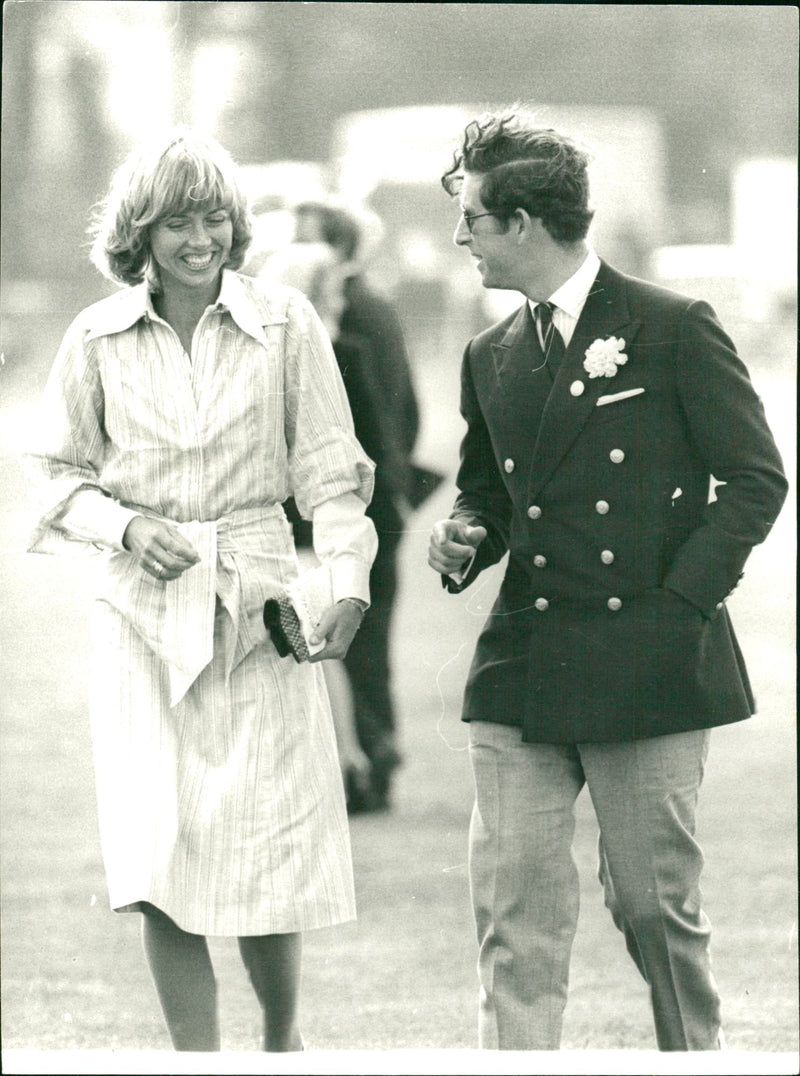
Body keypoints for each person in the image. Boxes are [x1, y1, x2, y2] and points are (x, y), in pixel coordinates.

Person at [427, 109, 787, 1051]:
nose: (458, 238)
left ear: (524, 224)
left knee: (653, 911)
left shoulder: (673, 327)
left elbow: (755, 478)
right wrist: (468, 534)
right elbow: (492, 491)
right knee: (513, 916)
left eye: (470, 218)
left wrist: (680, 607)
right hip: (524, 663)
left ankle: (695, 1062)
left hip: (650, 660)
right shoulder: (489, 354)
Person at [23, 128, 378, 1052]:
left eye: (213, 216)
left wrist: (347, 585)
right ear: (139, 232)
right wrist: (128, 526)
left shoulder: (287, 323)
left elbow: (333, 477)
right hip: (139, 619)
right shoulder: (95, 338)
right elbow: (57, 477)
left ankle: (282, 1041)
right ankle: (197, 1062)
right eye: (177, 220)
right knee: (157, 853)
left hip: (262, 610)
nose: (199, 238)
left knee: (265, 842)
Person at [289, 199, 422, 812]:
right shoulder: (382, 312)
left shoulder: (338, 334)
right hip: (379, 505)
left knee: (343, 638)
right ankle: (373, 754)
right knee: (367, 642)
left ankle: (362, 763)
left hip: (343, 511)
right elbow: (409, 413)